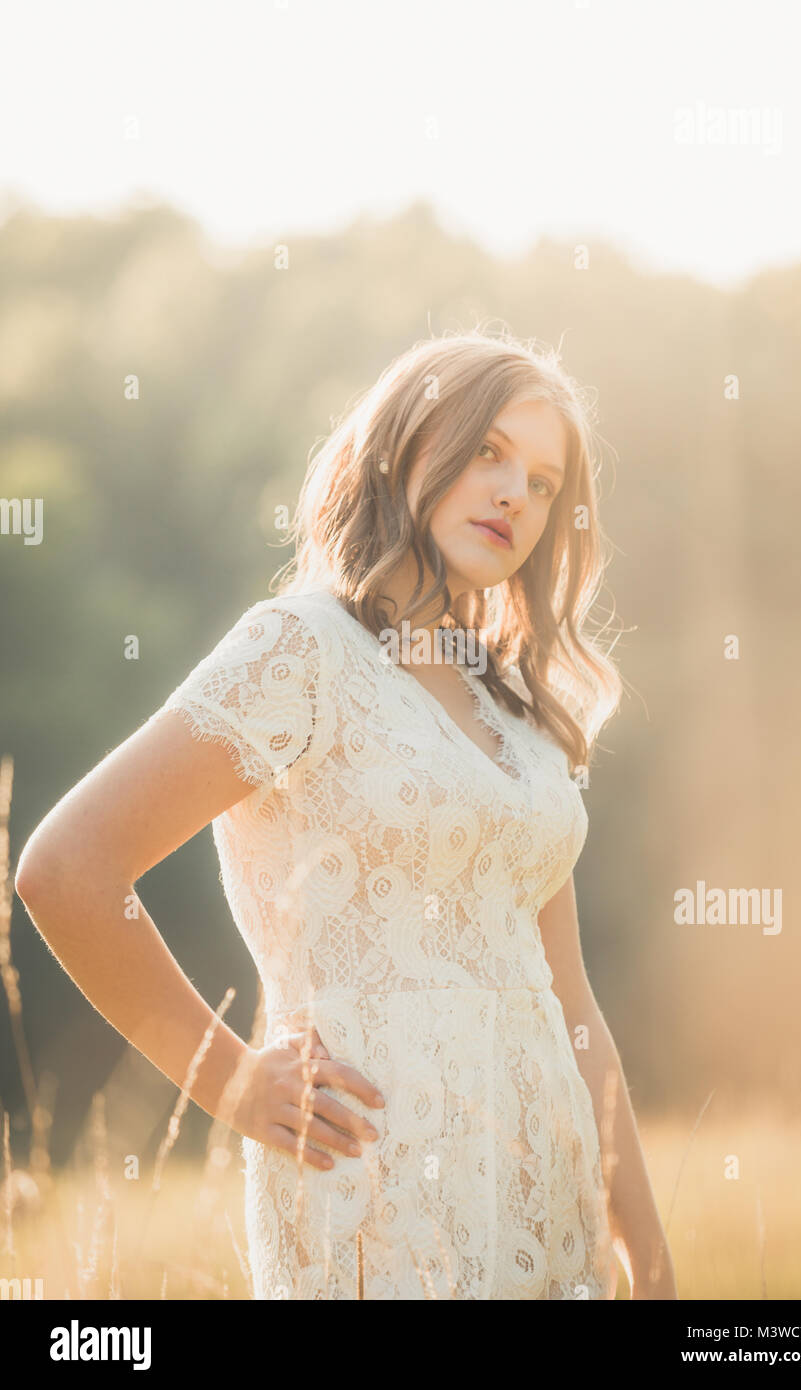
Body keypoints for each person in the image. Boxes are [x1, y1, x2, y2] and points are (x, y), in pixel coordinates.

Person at [15, 327, 677, 1300]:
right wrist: (233, 1081)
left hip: (544, 1196)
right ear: (403, 443)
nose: (513, 496)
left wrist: (647, 1257)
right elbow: (66, 869)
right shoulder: (301, 650)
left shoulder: (515, 709)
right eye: (489, 450)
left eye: (542, 483)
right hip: (375, 1182)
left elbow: (570, 1003)